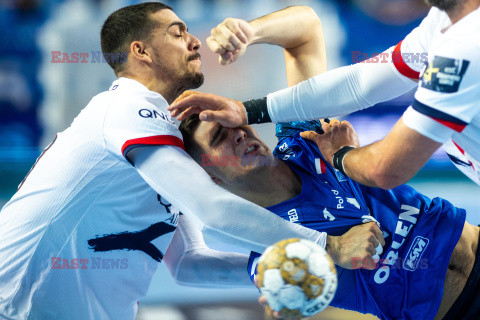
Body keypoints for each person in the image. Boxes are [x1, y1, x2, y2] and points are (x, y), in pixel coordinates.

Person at [0, 3, 364, 319]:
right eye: (177, 33)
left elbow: (190, 263)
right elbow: (212, 208)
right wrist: (325, 248)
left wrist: (283, 271)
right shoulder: (129, 106)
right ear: (141, 51)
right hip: (17, 305)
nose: (194, 41)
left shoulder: (166, 140)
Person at [175, 8, 479, 319]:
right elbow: (285, 294)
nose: (238, 134)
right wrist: (293, 298)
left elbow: (305, 30)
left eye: (234, 124)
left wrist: (249, 32)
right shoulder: (272, 246)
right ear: (209, 176)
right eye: (218, 138)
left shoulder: (305, 138)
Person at [169, 0, 480, 189]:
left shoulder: (465, 47)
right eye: (219, 139)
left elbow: (385, 168)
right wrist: (248, 111)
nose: (238, 137)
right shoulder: (445, 19)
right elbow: (360, 83)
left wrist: (339, 155)